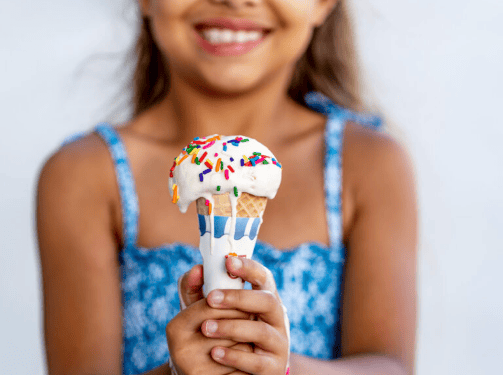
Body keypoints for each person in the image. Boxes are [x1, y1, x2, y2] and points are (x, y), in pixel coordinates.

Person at [36, 0, 417, 374]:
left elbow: (390, 366)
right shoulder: (84, 175)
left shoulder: (367, 164)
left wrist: (281, 365)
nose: (235, 0)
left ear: (322, 4)